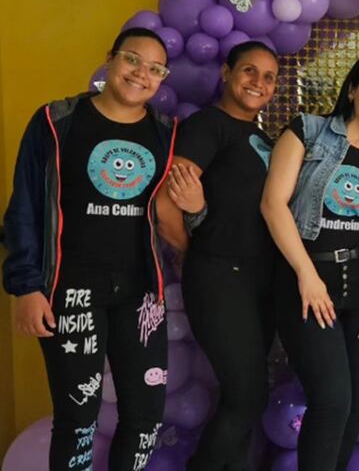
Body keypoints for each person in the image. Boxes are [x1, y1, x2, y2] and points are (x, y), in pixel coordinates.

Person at [3, 27, 177, 469]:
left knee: (146, 417)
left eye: (155, 69)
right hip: (70, 290)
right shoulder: (56, 121)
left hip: (139, 294)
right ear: (111, 59)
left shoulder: (165, 133)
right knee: (78, 418)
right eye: (132, 60)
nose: (141, 74)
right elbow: (24, 206)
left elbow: (176, 210)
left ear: (163, 78)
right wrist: (25, 286)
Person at [260, 52, 359, 471]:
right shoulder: (307, 131)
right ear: (351, 91)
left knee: (355, 404)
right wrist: (306, 274)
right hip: (308, 281)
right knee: (331, 399)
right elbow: (274, 205)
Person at [155, 40, 280, 470]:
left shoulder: (262, 138)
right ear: (227, 73)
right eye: (248, 71)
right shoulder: (208, 126)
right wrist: (197, 251)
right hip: (220, 276)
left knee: (243, 395)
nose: (257, 82)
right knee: (246, 397)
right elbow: (166, 205)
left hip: (257, 280)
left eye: (268, 77)